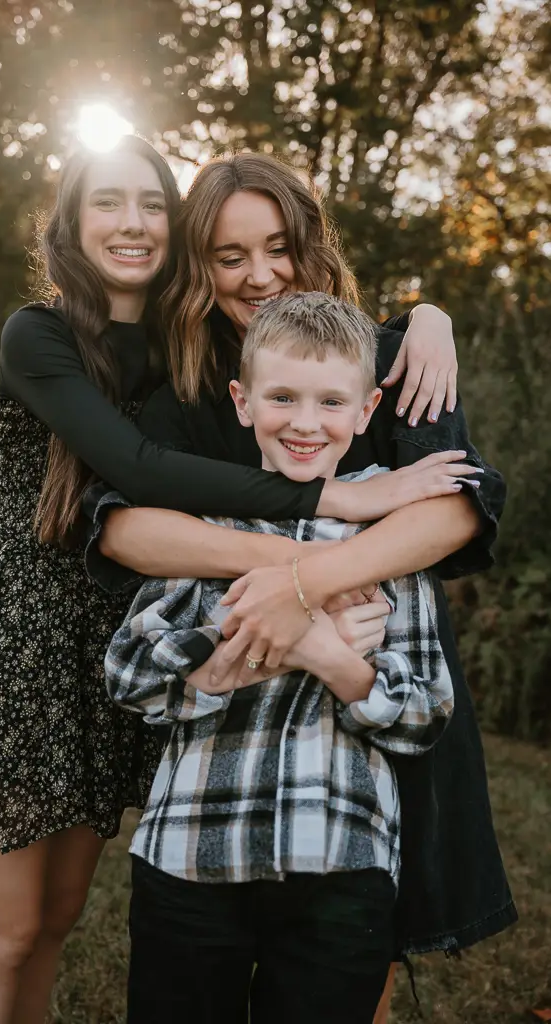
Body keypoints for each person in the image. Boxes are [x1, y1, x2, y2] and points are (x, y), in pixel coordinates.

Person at [0, 138, 458, 1024]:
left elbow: (316, 348)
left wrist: (426, 314)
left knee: (55, 918)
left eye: (151, 203)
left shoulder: (189, 342)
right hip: (36, 631)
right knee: (8, 925)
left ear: (175, 228)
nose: (131, 222)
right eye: (106, 202)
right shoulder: (42, 332)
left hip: (136, 617)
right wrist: (327, 513)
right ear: (67, 222)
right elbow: (138, 467)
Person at [88, 153, 516, 1015]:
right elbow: (126, 530)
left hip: (370, 686)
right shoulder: (187, 393)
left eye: (277, 246)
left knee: (353, 942)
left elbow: (461, 507)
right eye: (228, 254)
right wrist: (269, 594)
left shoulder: (388, 361)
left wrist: (306, 587)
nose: (260, 274)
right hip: (224, 765)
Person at [103, 292, 459, 1024]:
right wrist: (284, 648)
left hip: (339, 861)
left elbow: (423, 712)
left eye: (331, 401)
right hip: (190, 854)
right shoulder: (203, 525)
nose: (304, 422)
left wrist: (334, 661)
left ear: (364, 414)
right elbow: (130, 675)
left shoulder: (390, 536)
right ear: (242, 401)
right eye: (282, 397)